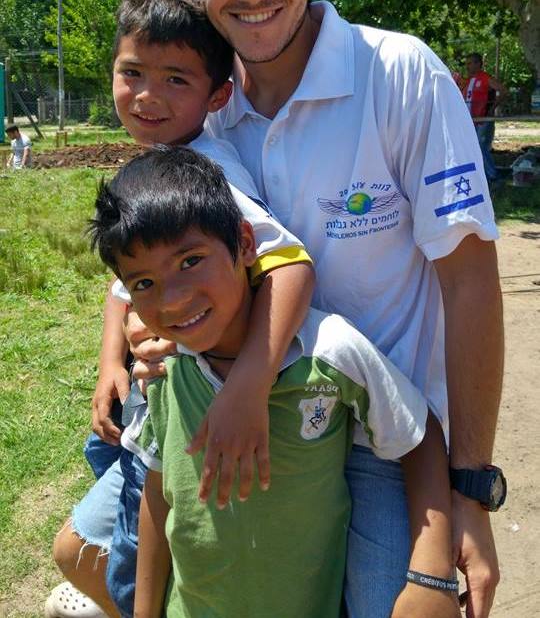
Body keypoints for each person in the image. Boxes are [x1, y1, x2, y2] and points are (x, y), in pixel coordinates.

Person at [166, 0, 504, 618]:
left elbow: (469, 281)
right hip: (260, 431)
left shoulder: (401, 76)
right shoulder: (202, 115)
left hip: (391, 449)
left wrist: (471, 487)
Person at [91, 145, 457, 618]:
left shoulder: (328, 353)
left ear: (246, 243)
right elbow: (158, 499)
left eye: (190, 261)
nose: (173, 300)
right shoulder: (161, 368)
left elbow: (419, 434)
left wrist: (431, 574)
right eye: (144, 284)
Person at [47, 0, 315, 618]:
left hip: (187, 406)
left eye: (175, 79)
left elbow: (291, 264)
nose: (147, 95)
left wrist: (247, 386)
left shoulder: (206, 173)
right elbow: (124, 281)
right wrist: (109, 363)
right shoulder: (155, 165)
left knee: (141, 558)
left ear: (218, 95)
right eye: (132, 73)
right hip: (147, 403)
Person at [459, 52, 506, 183]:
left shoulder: (486, 78)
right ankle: (480, 174)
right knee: (471, 146)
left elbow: (503, 90)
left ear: (478, 64)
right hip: (470, 120)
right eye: (467, 64)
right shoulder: (467, 80)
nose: (467, 66)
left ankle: (492, 174)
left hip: (483, 119)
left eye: (470, 63)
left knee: (480, 145)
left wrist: (492, 108)